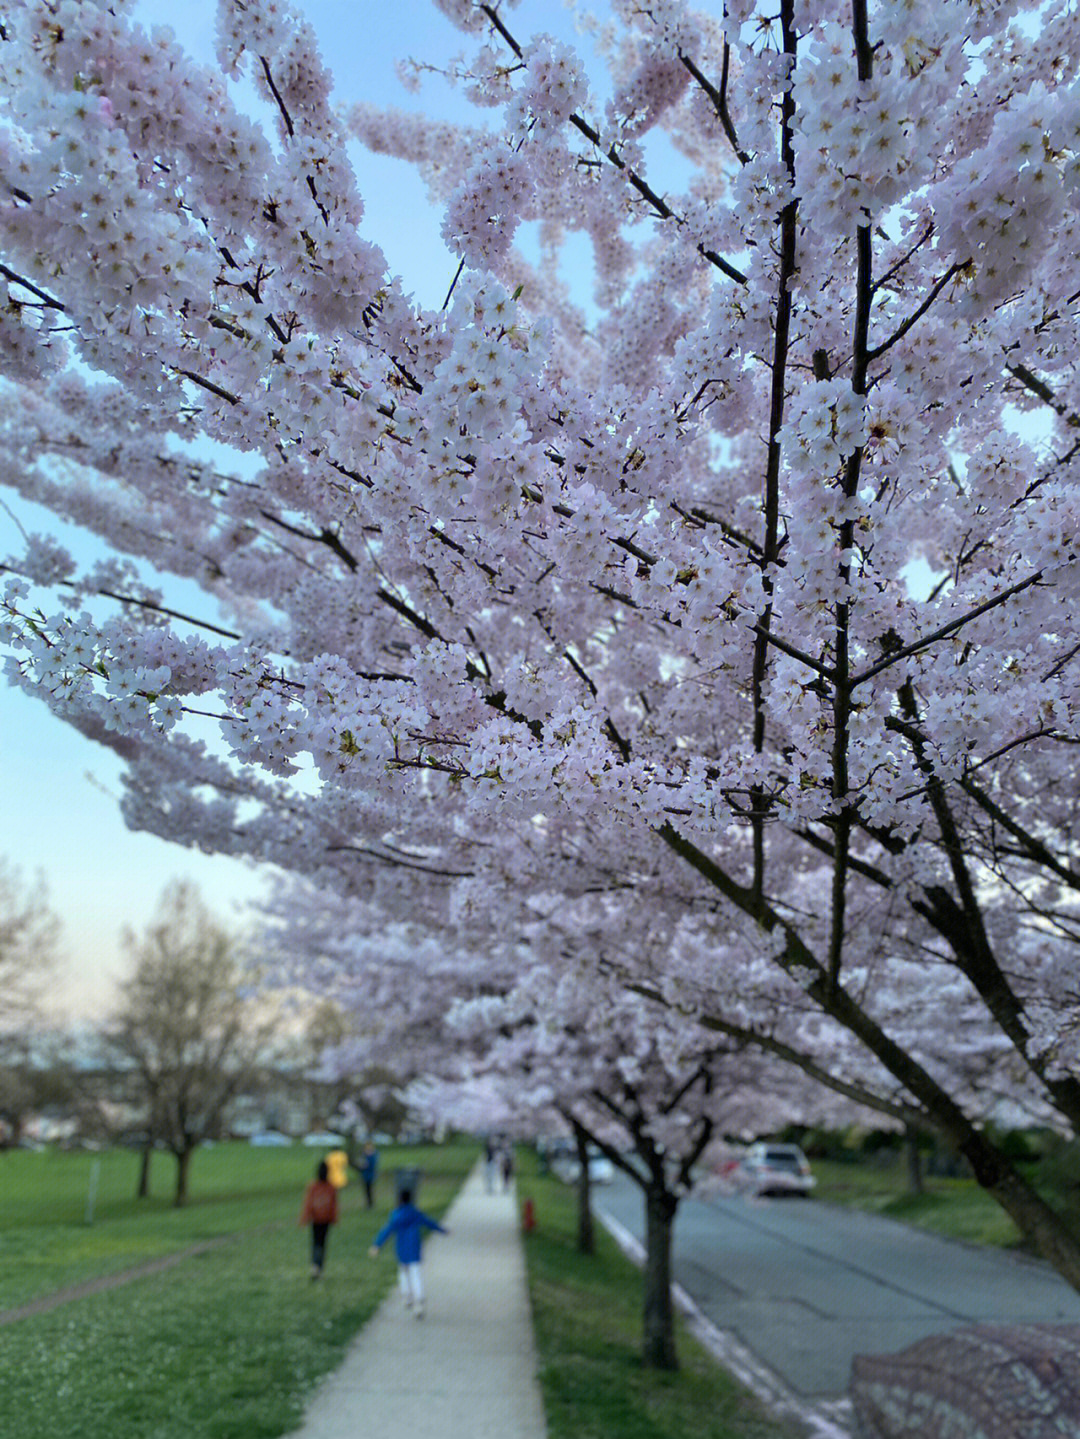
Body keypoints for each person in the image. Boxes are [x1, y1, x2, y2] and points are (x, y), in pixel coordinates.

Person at [368, 1188, 448, 1318]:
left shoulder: (396, 1215)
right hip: (414, 1246)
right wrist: (442, 1230)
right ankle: (419, 1299)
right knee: (415, 1273)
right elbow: (429, 1222)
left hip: (402, 1247)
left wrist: (377, 1245)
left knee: (403, 1271)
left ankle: (407, 1296)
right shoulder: (415, 1213)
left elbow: (387, 1230)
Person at [299, 1160, 339, 1280]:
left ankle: (315, 1266)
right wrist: (334, 1218)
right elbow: (334, 1205)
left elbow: (308, 1203)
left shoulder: (313, 1186)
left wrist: (305, 1218)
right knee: (322, 1243)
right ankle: (319, 1266)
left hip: (315, 1219)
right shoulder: (331, 1187)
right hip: (326, 1219)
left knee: (315, 1242)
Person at [356, 1141, 378, 1209]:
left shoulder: (372, 1157)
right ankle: (369, 1203)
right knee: (367, 1190)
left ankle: (370, 1204)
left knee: (369, 1190)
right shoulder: (366, 1156)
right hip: (365, 1176)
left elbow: (368, 1166)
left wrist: (363, 1166)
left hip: (369, 1176)